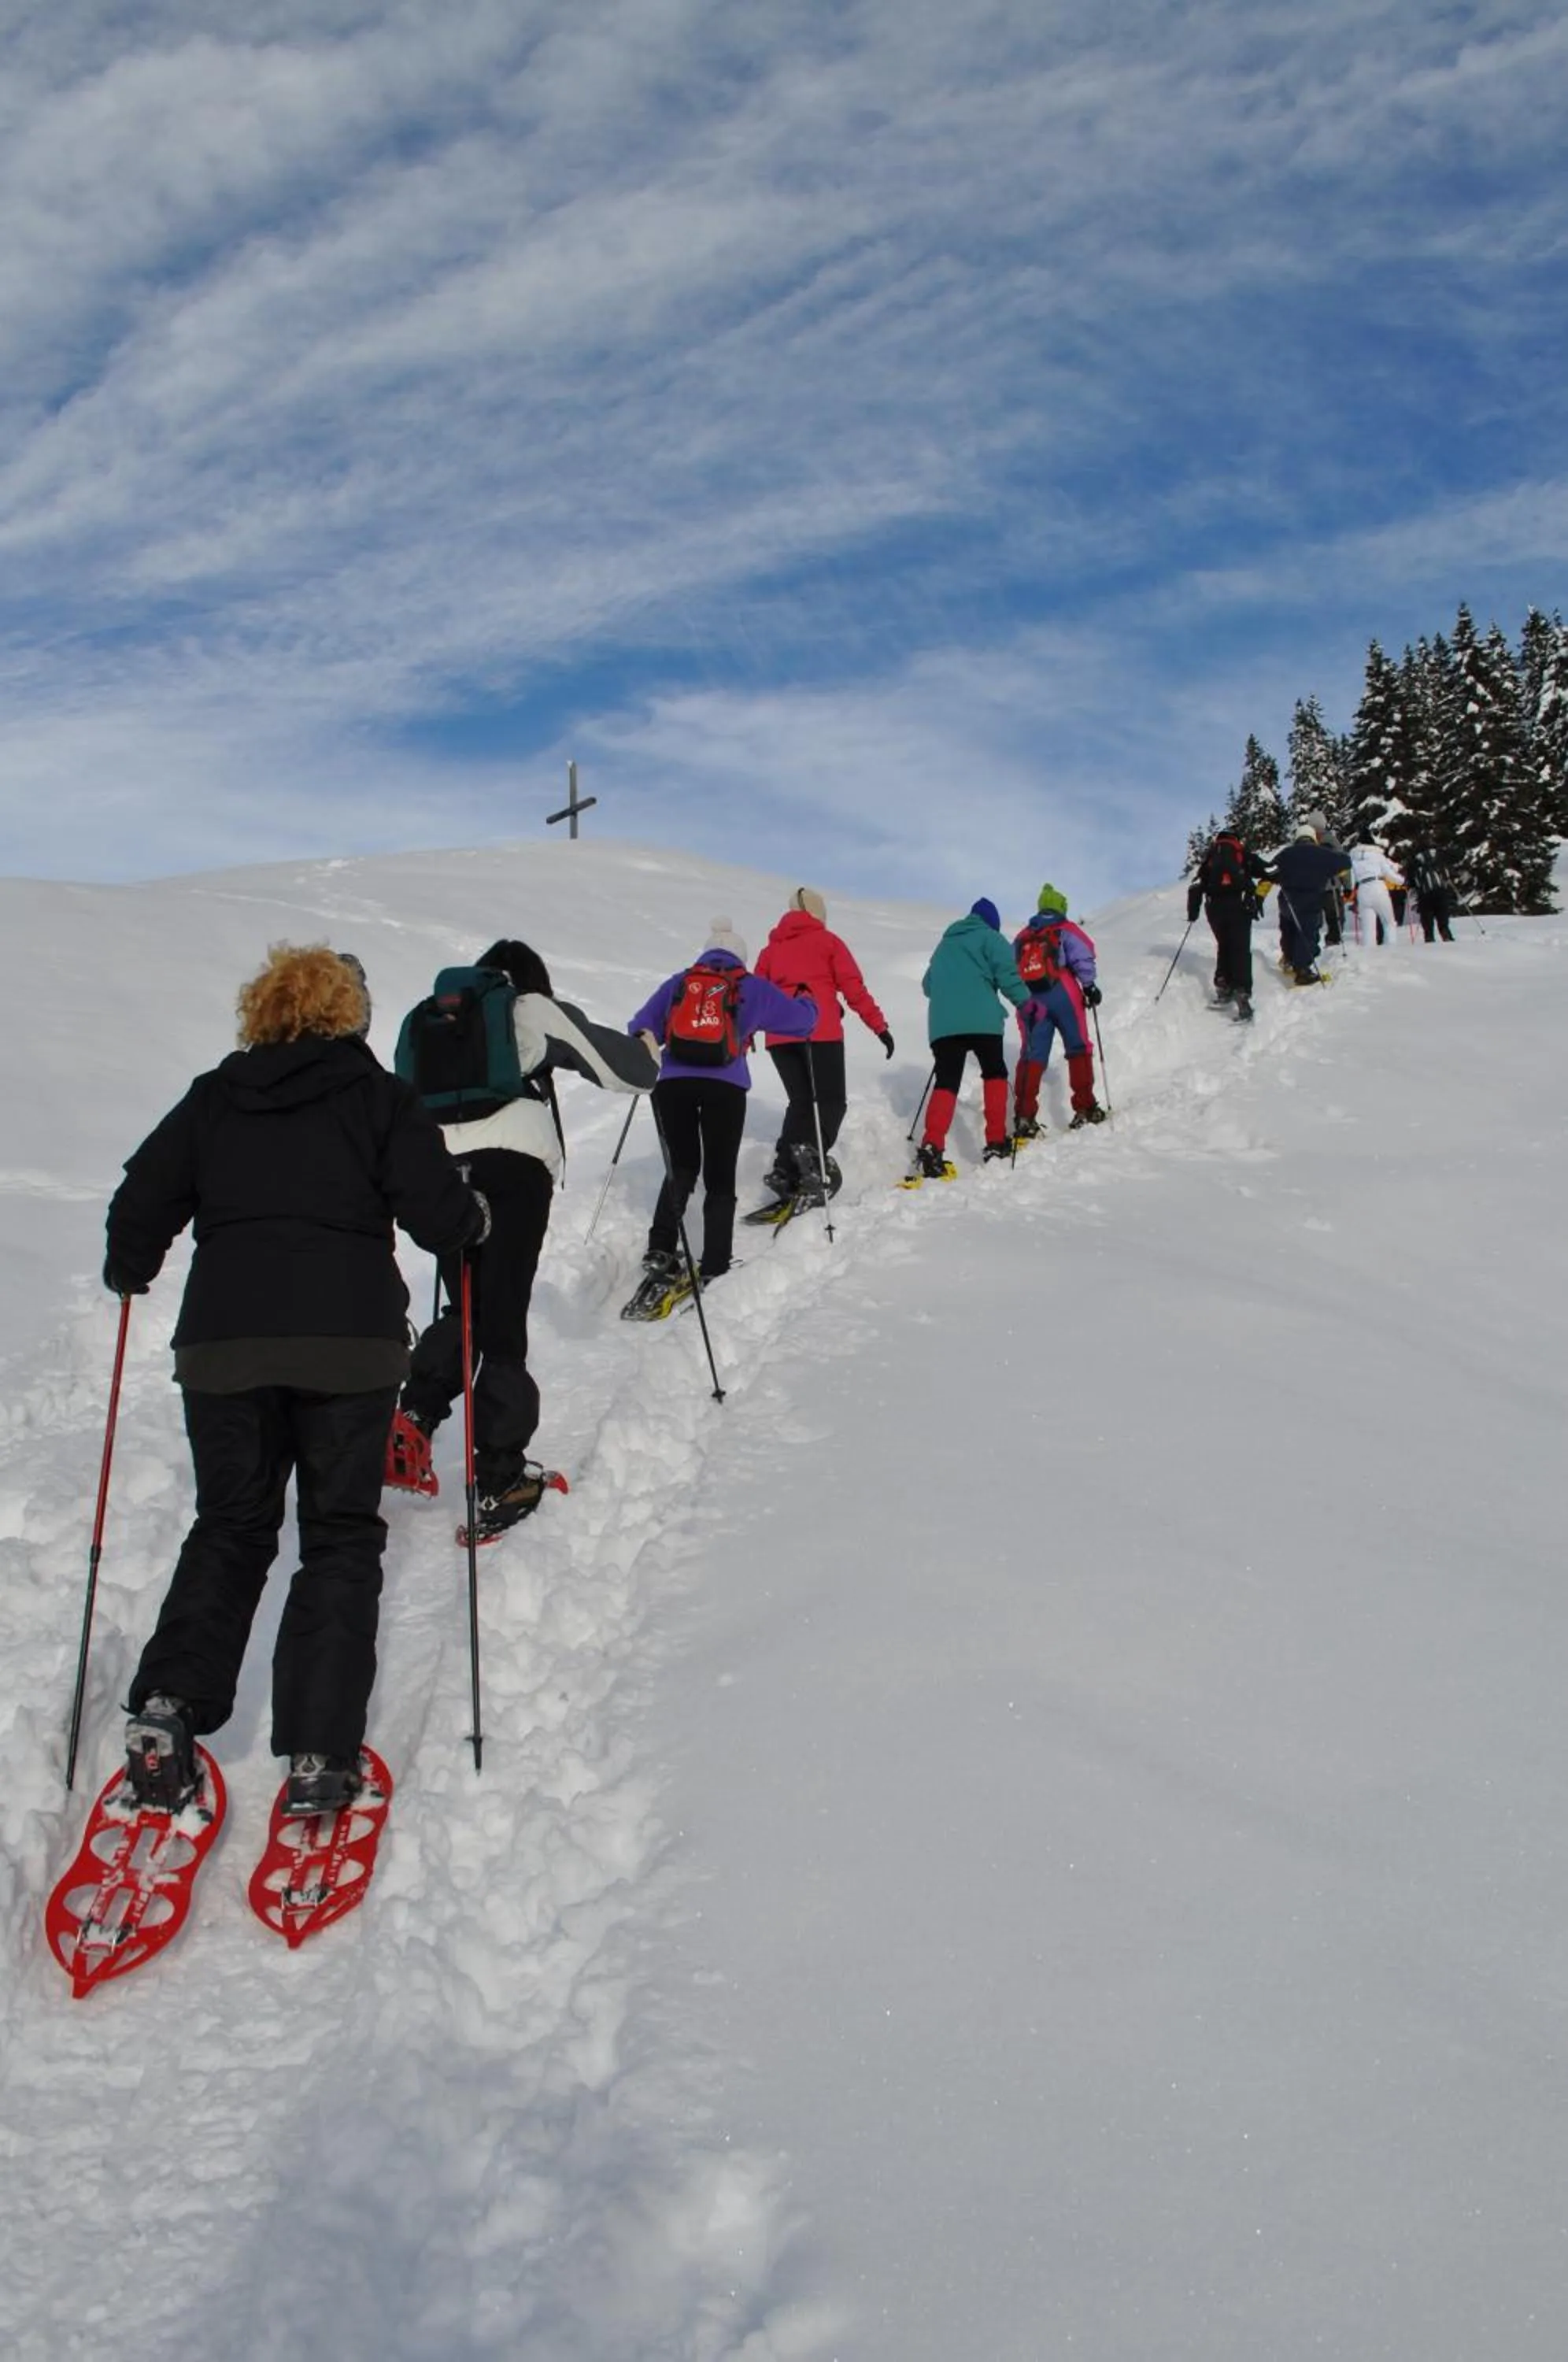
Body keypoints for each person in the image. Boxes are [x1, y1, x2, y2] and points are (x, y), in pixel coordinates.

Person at [104, 945, 486, 1818]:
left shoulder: (215, 1096)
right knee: (340, 1539)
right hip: (346, 1351)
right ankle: (319, 1752)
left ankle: (167, 1706)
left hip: (223, 1349)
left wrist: (132, 1267)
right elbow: (442, 1220)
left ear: (264, 1010)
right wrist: (475, 1218)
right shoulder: (378, 1100)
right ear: (349, 1013)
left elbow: (138, 1202)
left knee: (231, 1524)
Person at [391, 940, 656, 1535]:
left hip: (439, 1173)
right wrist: (648, 1054)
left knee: (466, 1306)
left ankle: (414, 1413)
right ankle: (501, 1478)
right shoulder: (526, 1007)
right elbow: (623, 1069)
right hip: (512, 1168)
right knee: (503, 1322)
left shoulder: (427, 1017)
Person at [623, 920, 817, 1316]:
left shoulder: (680, 983)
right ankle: (714, 1262)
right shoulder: (751, 987)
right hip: (725, 1088)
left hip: (672, 1084)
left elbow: (639, 1027)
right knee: (719, 1174)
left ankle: (660, 1249)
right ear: (740, 957)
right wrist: (808, 1000)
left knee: (680, 1168)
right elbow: (801, 1022)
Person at [751, 886, 892, 1209]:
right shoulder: (828, 942)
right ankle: (811, 1155)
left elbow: (755, 997)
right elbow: (854, 988)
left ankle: (784, 1169)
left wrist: (747, 1036)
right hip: (820, 1032)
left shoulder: (770, 951)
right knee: (831, 1102)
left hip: (779, 1037)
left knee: (800, 1103)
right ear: (818, 914)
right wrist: (879, 1027)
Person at [912, 898, 1031, 1177]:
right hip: (983, 1021)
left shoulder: (945, 944)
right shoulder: (991, 938)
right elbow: (1008, 976)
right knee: (994, 1073)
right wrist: (1027, 1004)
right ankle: (995, 1141)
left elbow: (928, 986)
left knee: (947, 1082)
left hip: (944, 1026)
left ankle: (932, 1145)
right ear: (992, 922)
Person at [1010, 885, 1104, 1131]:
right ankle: (1085, 1108)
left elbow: (1010, 966)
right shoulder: (1066, 929)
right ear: (1061, 907)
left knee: (1032, 1054)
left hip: (1031, 999)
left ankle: (1024, 1116)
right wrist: (1089, 985)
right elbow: (1083, 955)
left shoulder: (1023, 935)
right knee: (1078, 1046)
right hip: (1063, 990)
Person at [1187, 829, 1271, 1016]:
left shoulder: (1210, 858)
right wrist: (1258, 896)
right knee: (1240, 947)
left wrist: (1193, 914)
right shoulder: (1243, 854)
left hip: (1214, 908)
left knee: (1224, 945)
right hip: (1240, 904)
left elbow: (1195, 887)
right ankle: (1241, 991)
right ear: (1236, 839)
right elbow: (1271, 871)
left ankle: (1224, 984)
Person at [1269, 827, 1352, 985]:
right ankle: (1303, 971)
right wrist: (1331, 871)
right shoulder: (1322, 853)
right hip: (1310, 900)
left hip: (1287, 901)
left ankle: (1288, 959)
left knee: (1289, 930)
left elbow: (1268, 871)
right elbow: (1346, 864)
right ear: (1313, 838)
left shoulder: (1285, 854)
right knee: (1307, 934)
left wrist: (1260, 896)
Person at [1348, 836, 1404, 948]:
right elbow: (1389, 874)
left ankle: (1370, 956)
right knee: (1389, 923)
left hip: (1363, 890)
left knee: (1369, 928)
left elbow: (1351, 879)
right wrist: (1402, 881)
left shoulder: (1353, 858)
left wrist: (1349, 894)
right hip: (1378, 887)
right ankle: (1391, 948)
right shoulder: (1378, 856)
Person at [1304, 810, 1346, 946]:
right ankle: (1333, 942)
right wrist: (1348, 886)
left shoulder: (1307, 842)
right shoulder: (1333, 841)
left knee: (1314, 919)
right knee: (1335, 918)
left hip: (1313, 887)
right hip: (1331, 886)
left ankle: (1311, 944)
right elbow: (1343, 865)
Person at [1408, 846, 1457, 942]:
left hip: (1425, 895)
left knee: (1427, 919)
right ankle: (1446, 934)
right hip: (1440, 892)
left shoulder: (1414, 863)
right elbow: (1446, 875)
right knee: (1443, 917)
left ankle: (1429, 937)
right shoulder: (1437, 859)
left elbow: (1411, 883)